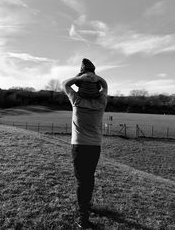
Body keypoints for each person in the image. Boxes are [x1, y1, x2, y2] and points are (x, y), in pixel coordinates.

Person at [62, 59, 108, 229]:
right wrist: (94, 76)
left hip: (79, 146)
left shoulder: (76, 100)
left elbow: (65, 84)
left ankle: (83, 217)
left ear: (80, 86)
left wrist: (80, 76)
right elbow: (105, 83)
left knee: (82, 180)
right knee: (88, 178)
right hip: (95, 146)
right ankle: (86, 205)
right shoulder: (102, 102)